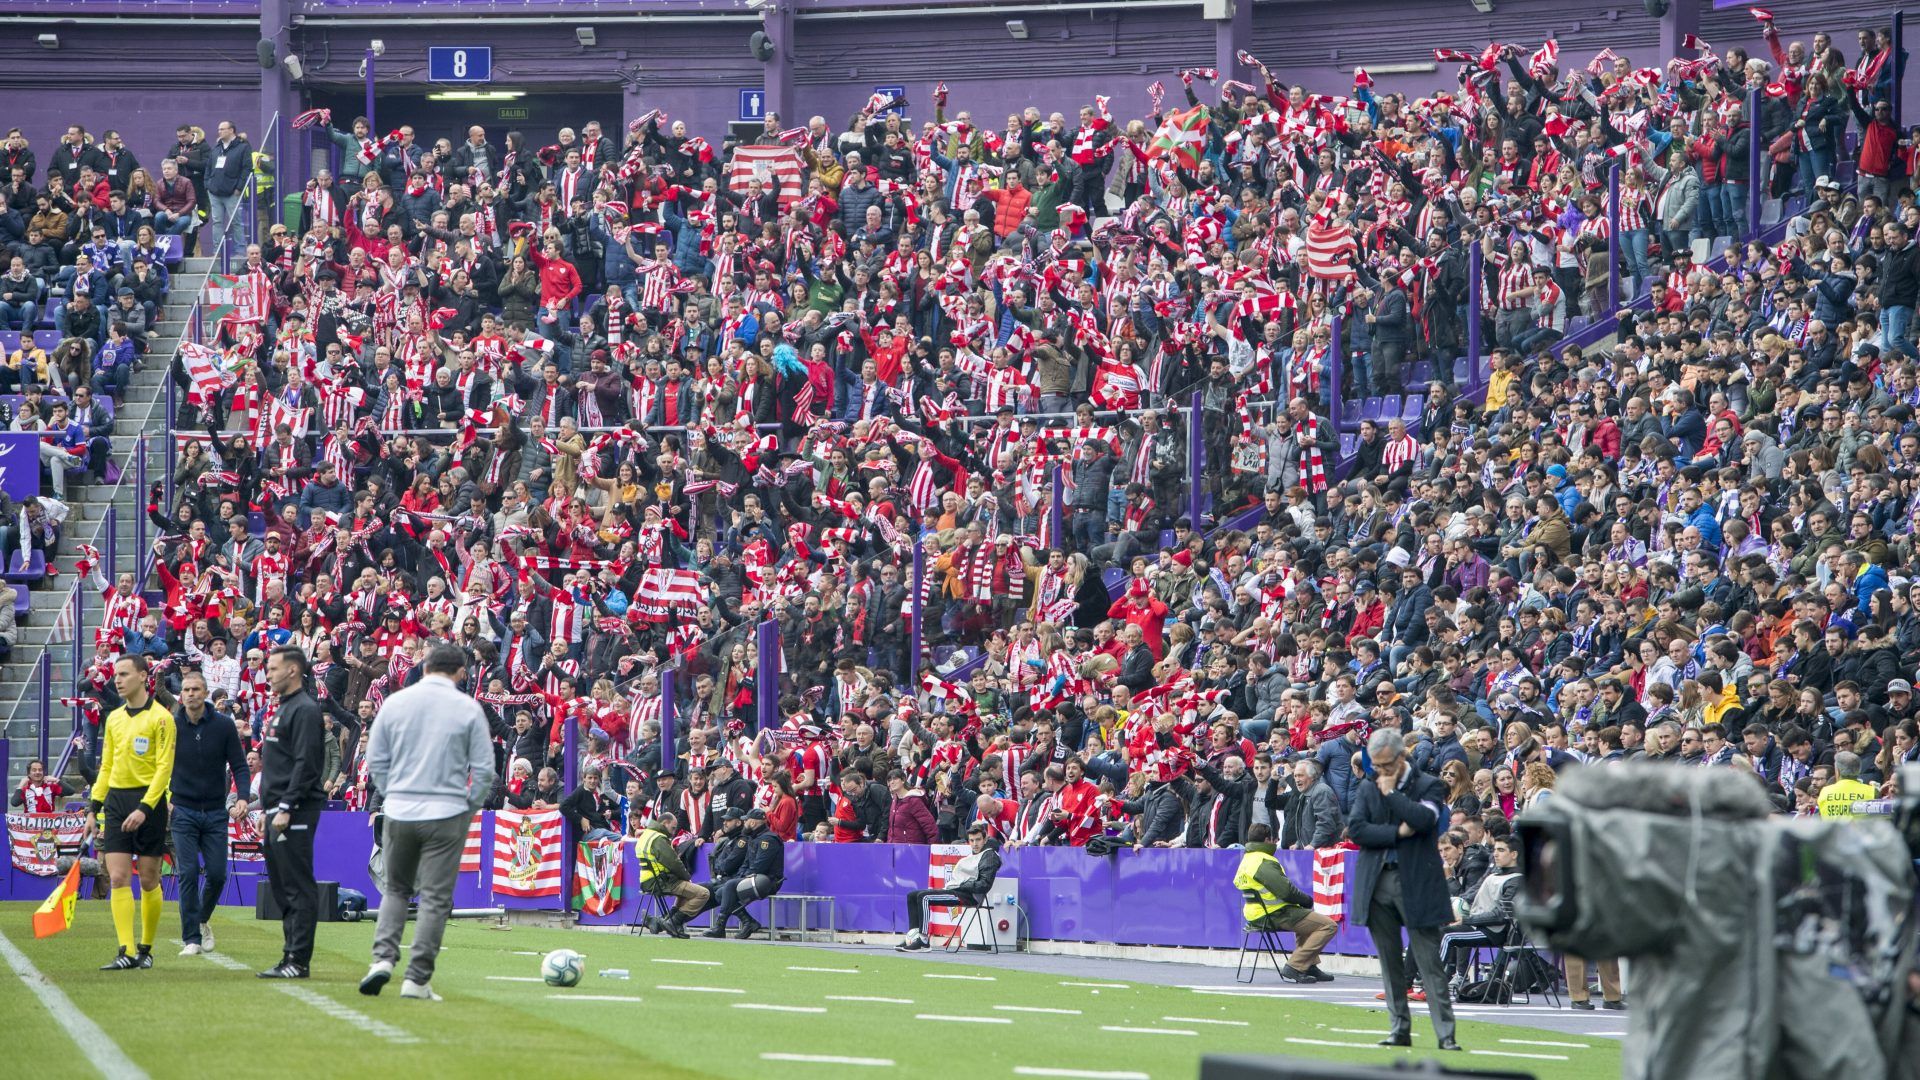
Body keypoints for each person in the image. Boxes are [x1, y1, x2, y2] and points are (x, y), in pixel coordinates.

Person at [360, 642, 495, 1002]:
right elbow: (484, 770)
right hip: (446, 811)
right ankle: (417, 979)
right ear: (461, 673)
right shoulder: (467, 708)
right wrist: (468, 808)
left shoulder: (396, 702)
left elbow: (375, 759)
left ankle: (382, 960)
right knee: (435, 898)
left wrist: (393, 795)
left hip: (401, 809)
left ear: (424, 668)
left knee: (396, 889)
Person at [1346, 727, 1458, 1051]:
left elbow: (1424, 820)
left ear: (1402, 756)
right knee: (1389, 962)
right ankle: (1399, 1029)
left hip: (1416, 882)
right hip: (1377, 882)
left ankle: (1446, 1034)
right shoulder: (1369, 786)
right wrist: (1397, 832)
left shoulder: (1429, 784)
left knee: (1428, 963)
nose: (1380, 772)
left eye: (1386, 766)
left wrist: (1393, 793)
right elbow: (1356, 829)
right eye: (1376, 766)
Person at [87, 654, 175, 971]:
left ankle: (146, 948)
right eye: (115, 675)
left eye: (124, 674)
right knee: (118, 876)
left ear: (142, 675)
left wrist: (145, 807)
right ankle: (124, 950)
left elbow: (164, 769)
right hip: (116, 802)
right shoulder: (113, 719)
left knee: (149, 879)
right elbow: (106, 766)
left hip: (148, 804)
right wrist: (93, 807)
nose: (117, 680)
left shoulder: (162, 718)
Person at [257, 644, 327, 979]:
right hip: (276, 809)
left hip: (295, 810)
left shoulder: (305, 709)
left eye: (272, 668)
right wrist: (267, 808)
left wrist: (285, 806)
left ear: (293, 670)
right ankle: (289, 955)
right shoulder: (284, 708)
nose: (267, 673)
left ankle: (299, 960)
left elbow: (306, 764)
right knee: (282, 885)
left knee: (298, 884)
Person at [169, 669, 250, 957]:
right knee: (188, 873)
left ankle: (201, 919)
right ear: (182, 695)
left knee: (217, 875)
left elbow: (239, 765)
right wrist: (167, 798)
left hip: (216, 812)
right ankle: (191, 937)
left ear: (205, 693)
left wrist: (242, 797)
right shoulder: (170, 725)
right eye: (186, 690)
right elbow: (159, 765)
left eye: (196, 689)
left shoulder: (224, 725)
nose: (190, 694)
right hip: (183, 811)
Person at [1232, 823, 1339, 983]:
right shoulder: (1263, 861)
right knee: (1329, 926)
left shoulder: (1247, 859)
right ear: (1267, 840)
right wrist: (1307, 900)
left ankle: (1308, 965)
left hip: (1256, 914)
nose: (1276, 842)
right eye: (1274, 839)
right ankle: (1295, 965)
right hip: (1275, 913)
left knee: (1307, 919)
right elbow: (1286, 891)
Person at [1437, 834, 1523, 996]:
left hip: (1495, 932)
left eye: (1501, 850)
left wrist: (1466, 919)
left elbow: (1500, 916)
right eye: (1495, 849)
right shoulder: (1493, 875)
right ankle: (1417, 979)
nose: (1495, 854)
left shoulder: (1516, 880)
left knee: (1447, 936)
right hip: (1479, 925)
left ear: (1514, 855)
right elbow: (1471, 895)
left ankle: (1433, 985)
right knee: (1434, 928)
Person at [895, 821, 1000, 952]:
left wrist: (962, 886)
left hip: (968, 896)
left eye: (978, 840)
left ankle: (923, 941)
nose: (974, 844)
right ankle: (913, 937)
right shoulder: (974, 855)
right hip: (958, 891)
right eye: (971, 840)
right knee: (912, 895)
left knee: (924, 897)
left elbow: (984, 885)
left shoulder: (989, 856)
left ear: (985, 839)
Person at [706, 807, 784, 940]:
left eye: (746, 821)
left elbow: (760, 866)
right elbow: (746, 864)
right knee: (719, 892)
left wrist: (740, 879)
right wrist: (740, 876)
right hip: (753, 878)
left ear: (753, 823)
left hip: (767, 882)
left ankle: (720, 926)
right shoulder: (754, 838)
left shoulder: (768, 839)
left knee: (729, 886)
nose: (744, 823)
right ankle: (749, 922)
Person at [633, 811, 708, 938]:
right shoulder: (658, 839)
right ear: (664, 823)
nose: (674, 832)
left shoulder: (646, 835)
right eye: (673, 828)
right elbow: (673, 863)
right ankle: (673, 923)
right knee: (703, 893)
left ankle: (659, 923)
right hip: (662, 881)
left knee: (684, 894)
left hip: (648, 881)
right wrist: (686, 877)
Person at [1817, 751, 1879, 819]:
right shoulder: (1871, 791)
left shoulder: (1825, 792)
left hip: (1832, 829)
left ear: (1838, 771)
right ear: (1859, 770)